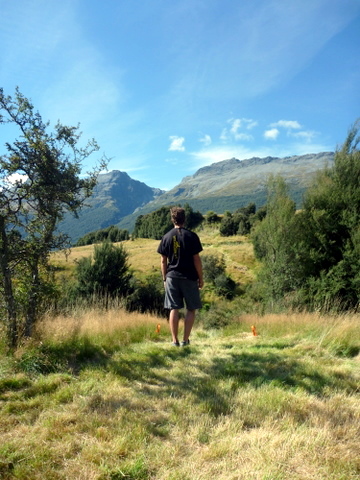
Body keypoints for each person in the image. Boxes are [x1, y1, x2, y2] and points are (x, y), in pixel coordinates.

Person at [157, 207, 204, 346]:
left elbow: (163, 261)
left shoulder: (166, 237)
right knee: (191, 309)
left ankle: (174, 341)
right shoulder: (192, 236)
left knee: (174, 308)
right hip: (189, 277)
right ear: (185, 219)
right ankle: (185, 340)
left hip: (172, 277)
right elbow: (197, 260)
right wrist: (200, 278)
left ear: (172, 219)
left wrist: (165, 278)